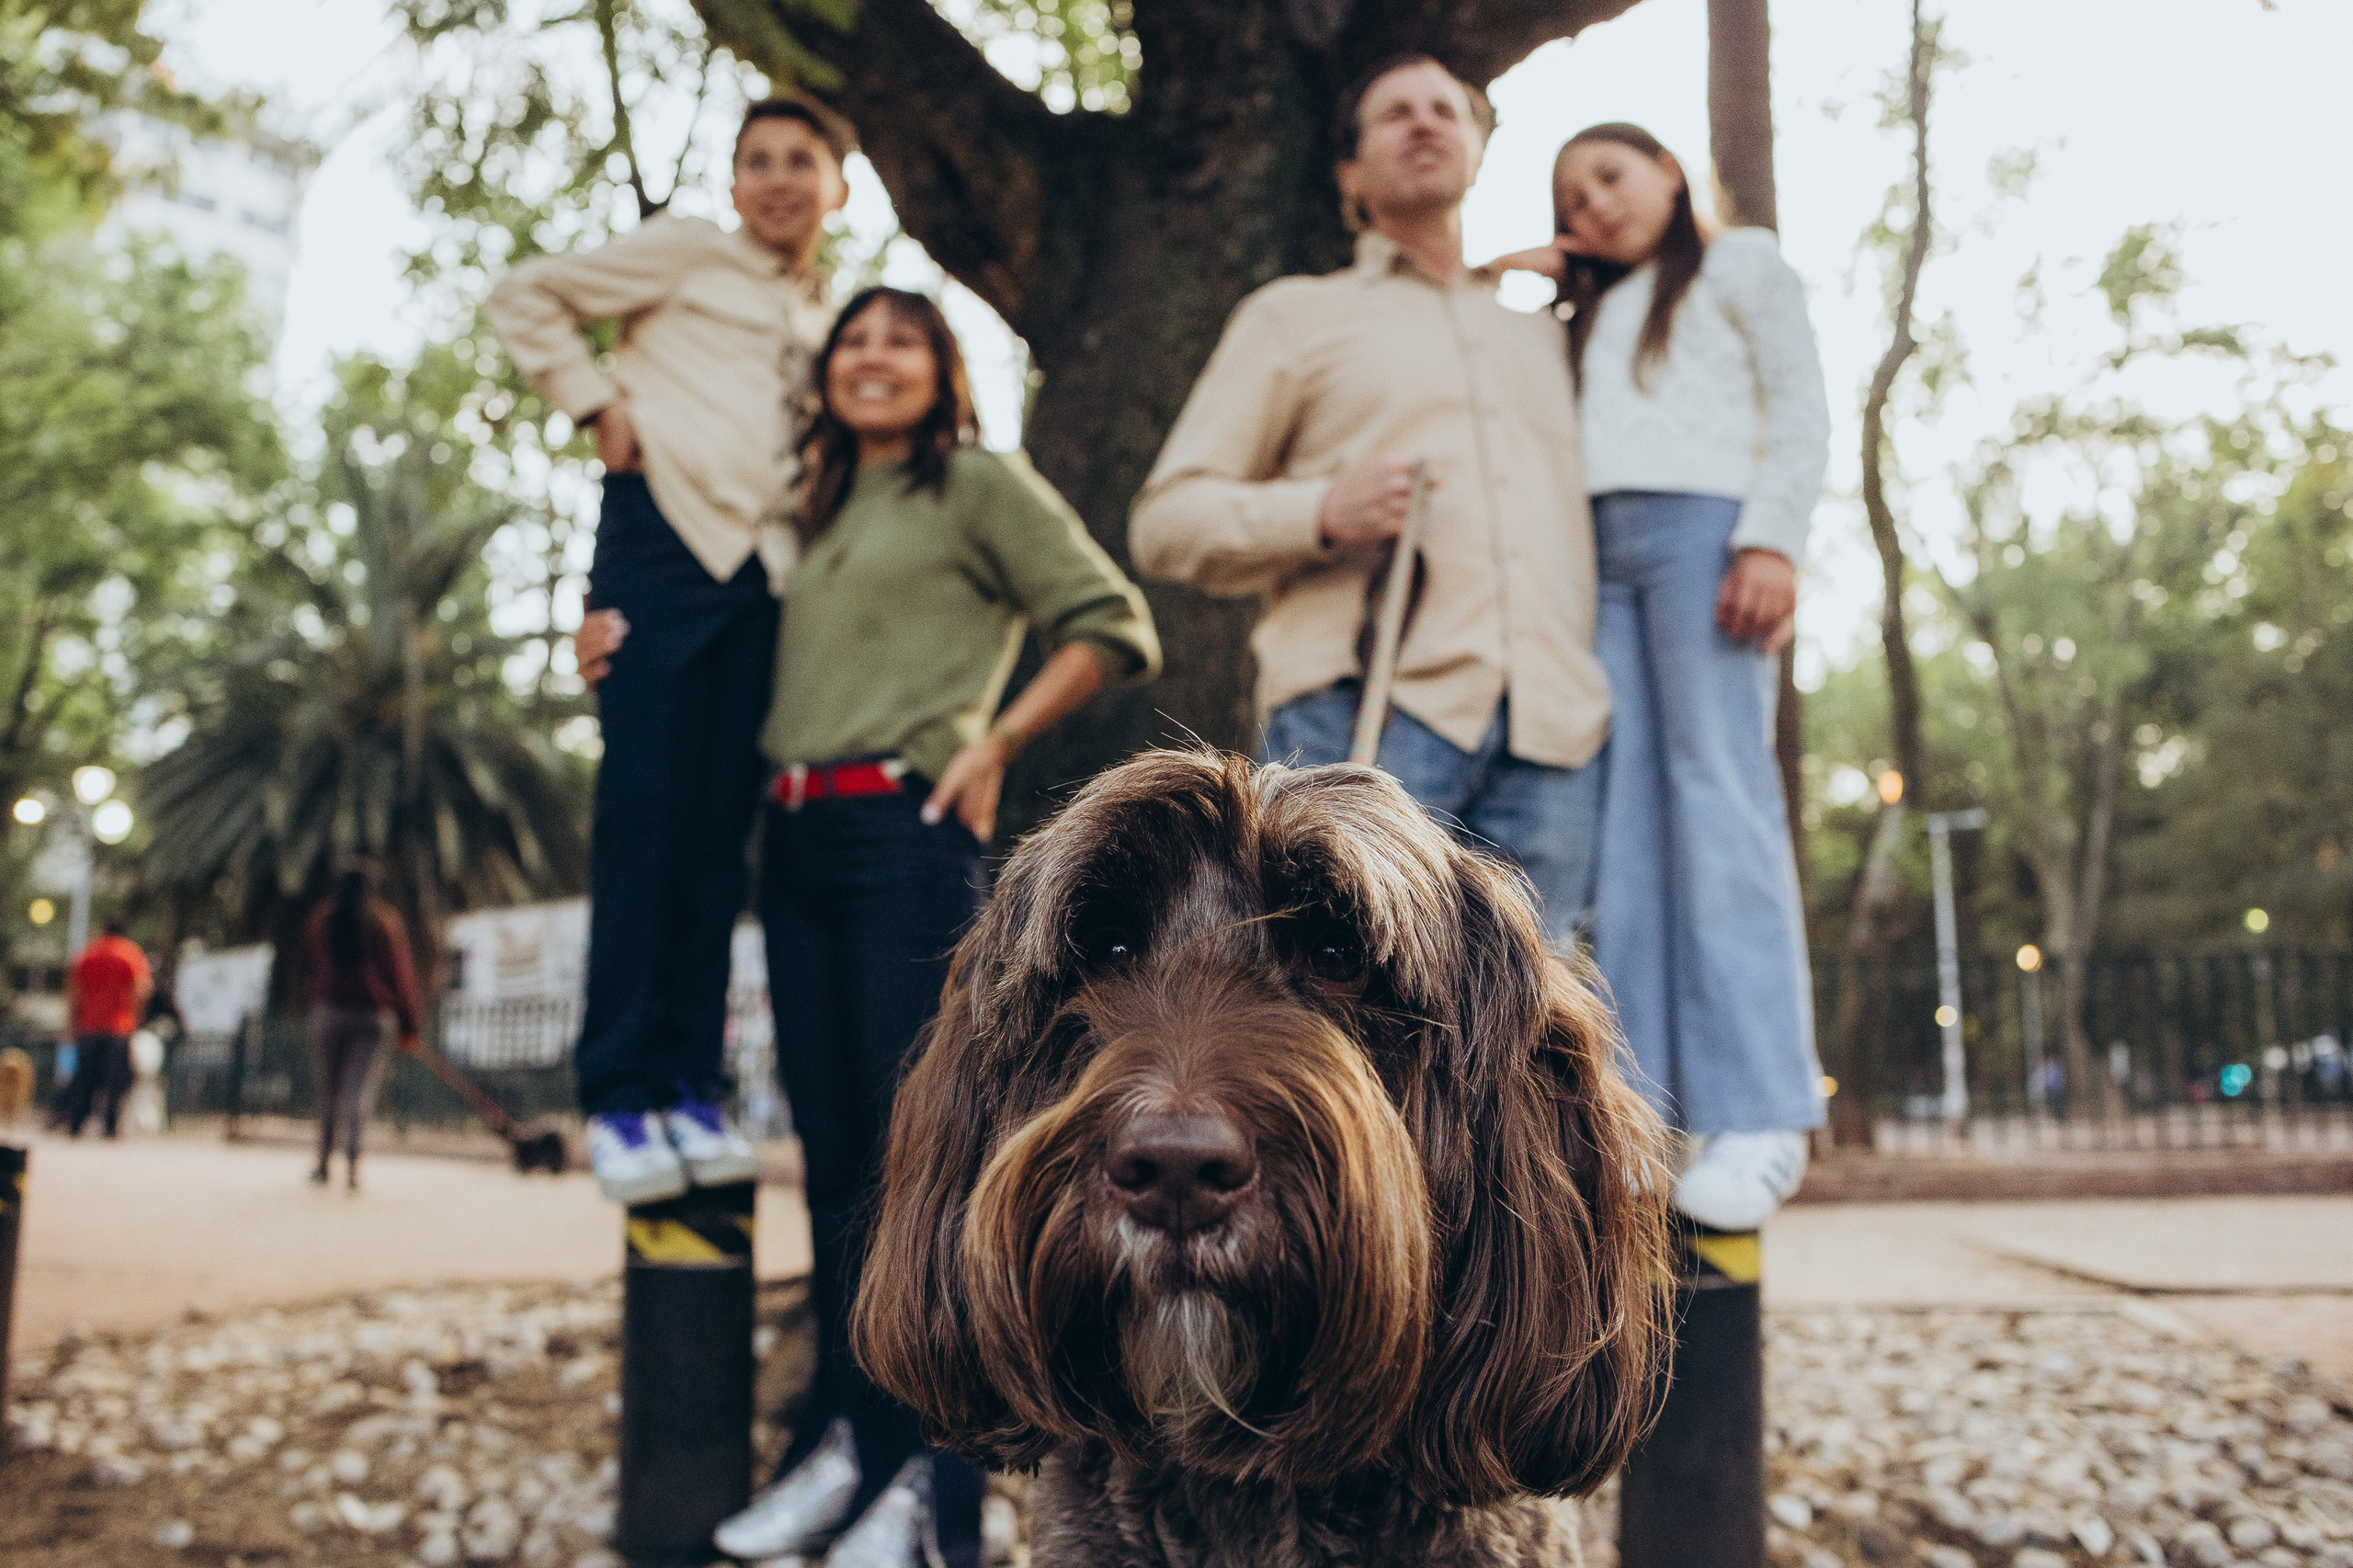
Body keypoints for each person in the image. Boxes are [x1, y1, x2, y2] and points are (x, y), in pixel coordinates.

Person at [579, 288, 1159, 1567]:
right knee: (839, 1164)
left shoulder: (978, 486)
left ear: (945, 371)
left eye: (902, 339)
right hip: (789, 844)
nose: (872, 358)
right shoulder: (806, 509)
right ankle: (846, 1445)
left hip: (904, 834)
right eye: (853, 342)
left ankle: (932, 1491)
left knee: (920, 1164)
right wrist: (610, 620)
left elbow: (1112, 621)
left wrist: (996, 740)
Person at [1130, 53, 1608, 944]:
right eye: (1395, 113)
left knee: (1530, 1039)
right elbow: (1165, 521)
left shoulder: (1555, 332)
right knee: (1347, 1020)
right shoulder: (1294, 316)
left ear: (1476, 152)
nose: (1424, 122)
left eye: (1444, 110)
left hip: (1558, 734)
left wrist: (1610, 278)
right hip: (1363, 717)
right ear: (1349, 175)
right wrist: (1319, 513)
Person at [486, 94, 853, 1204]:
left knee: (712, 842)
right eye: (758, 162)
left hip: (765, 578)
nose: (779, 179)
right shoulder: (687, 253)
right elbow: (525, 294)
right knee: (644, 824)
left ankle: (690, 1084)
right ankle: (617, 1093)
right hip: (660, 543)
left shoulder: (825, 316)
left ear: (837, 187)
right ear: (735, 181)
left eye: (802, 161)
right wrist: (598, 402)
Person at [1489, 122, 1831, 1230]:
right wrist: (1522, 277)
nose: (1595, 203)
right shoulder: (1581, 317)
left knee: (1719, 803)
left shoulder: (1739, 263)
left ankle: (1764, 1111)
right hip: (1598, 553)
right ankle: (1645, 1113)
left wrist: (1771, 539)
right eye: (1572, 196)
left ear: (1670, 172)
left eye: (1611, 175)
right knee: (1623, 834)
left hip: (1705, 537)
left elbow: (1801, 406)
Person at [302, 863, 423, 1190]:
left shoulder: (323, 919)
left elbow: (314, 962)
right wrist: (409, 1025)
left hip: (330, 1013)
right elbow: (401, 975)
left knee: (330, 1090)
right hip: (372, 1015)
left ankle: (323, 1164)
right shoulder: (383, 922)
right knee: (359, 1091)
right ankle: (353, 1164)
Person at [57, 918, 151, 1138]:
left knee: (84, 1077)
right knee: (115, 1080)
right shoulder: (130, 953)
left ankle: (76, 1123)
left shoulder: (88, 953)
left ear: (102, 930)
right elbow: (141, 989)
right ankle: (110, 1127)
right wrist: (137, 1018)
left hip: (88, 1025)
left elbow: (74, 992)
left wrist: (71, 1022)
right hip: (119, 1026)